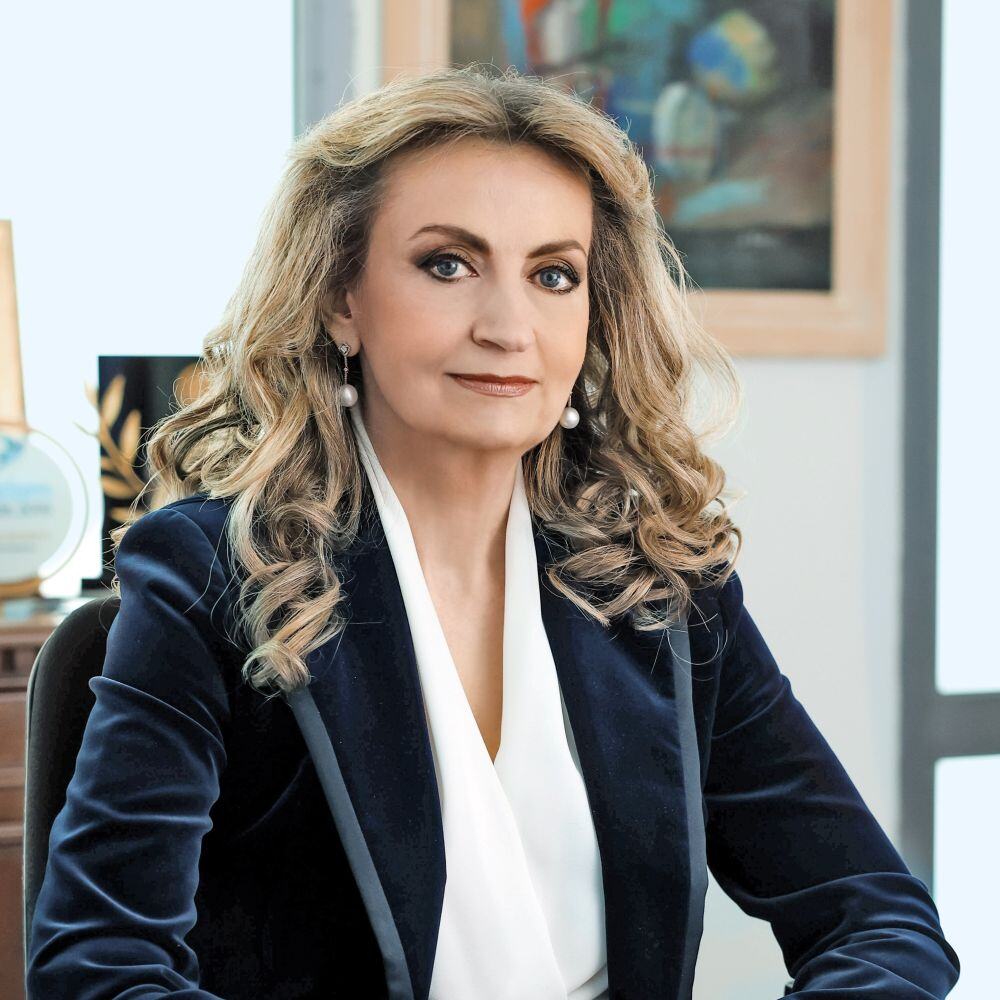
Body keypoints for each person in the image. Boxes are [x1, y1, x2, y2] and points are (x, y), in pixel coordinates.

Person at [25, 64, 960, 999]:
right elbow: (100, 965)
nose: (510, 326)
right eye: (448, 265)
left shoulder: (661, 582)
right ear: (342, 299)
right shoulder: (211, 574)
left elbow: (879, 917)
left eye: (553, 275)